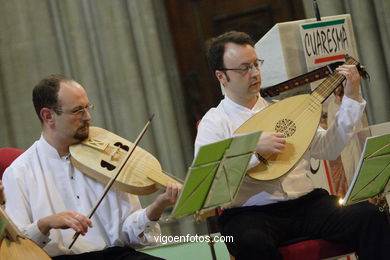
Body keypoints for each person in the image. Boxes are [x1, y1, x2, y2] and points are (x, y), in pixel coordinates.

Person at [195, 31, 390, 260]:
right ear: (221, 76)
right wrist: (254, 151)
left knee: (369, 215)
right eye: (244, 68)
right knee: (251, 242)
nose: (255, 73)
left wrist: (352, 98)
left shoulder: (285, 110)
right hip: (250, 214)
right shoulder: (214, 122)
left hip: (307, 204)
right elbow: (210, 181)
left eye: (256, 64)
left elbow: (328, 148)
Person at [3, 74, 181, 259]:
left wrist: (156, 208)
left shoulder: (107, 158)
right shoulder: (19, 173)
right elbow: (16, 247)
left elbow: (129, 233)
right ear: (48, 116)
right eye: (78, 110)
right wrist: (46, 223)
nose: (88, 116)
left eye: (88, 107)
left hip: (116, 255)